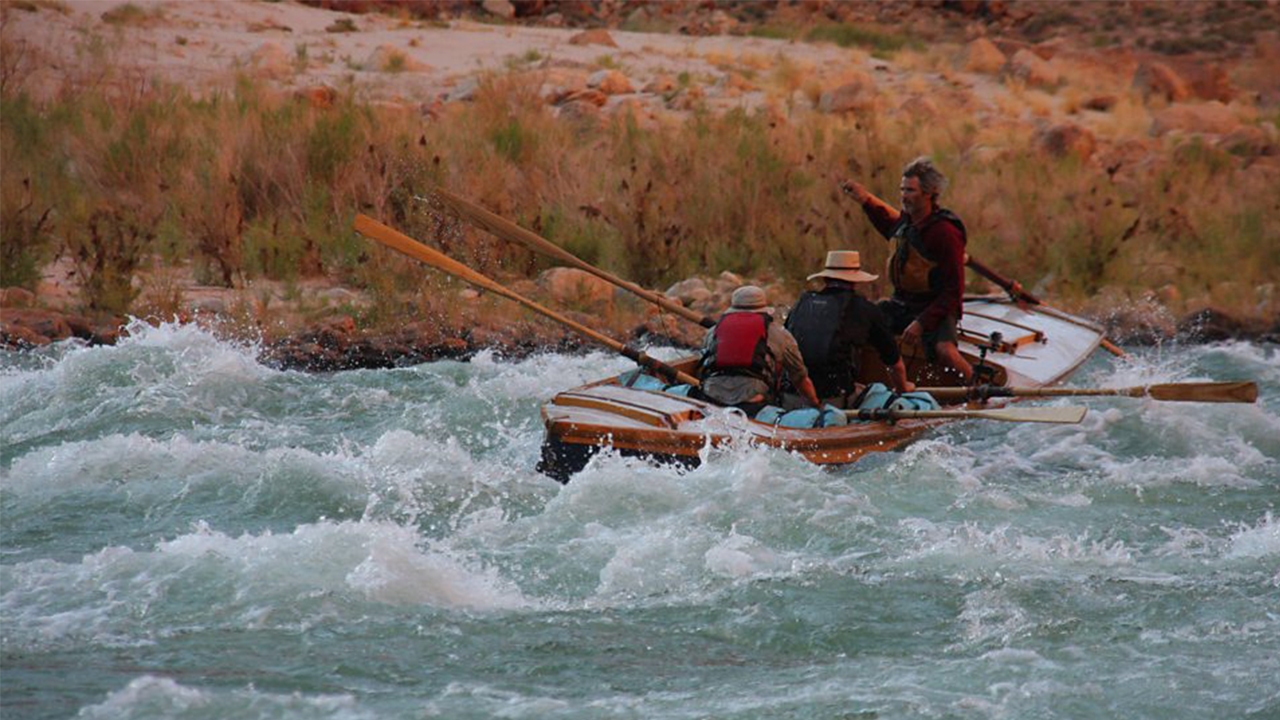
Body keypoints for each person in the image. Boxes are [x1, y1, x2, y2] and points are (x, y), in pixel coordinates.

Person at [841, 156, 974, 382]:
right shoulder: (907, 222)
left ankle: (976, 387)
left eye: (910, 190)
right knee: (858, 325)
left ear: (929, 192)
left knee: (945, 352)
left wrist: (922, 323)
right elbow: (888, 226)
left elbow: (953, 292)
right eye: (902, 189)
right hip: (903, 304)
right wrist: (865, 201)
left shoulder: (944, 233)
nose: (904, 196)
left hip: (936, 308)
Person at [785, 250, 915, 407]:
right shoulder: (865, 309)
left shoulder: (800, 305)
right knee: (872, 390)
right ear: (855, 280)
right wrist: (903, 390)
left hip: (789, 395)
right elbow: (895, 363)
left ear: (826, 278)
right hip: (834, 400)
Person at [700, 285, 821, 415]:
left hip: (712, 398)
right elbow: (799, 377)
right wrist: (815, 404)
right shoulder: (779, 334)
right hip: (753, 403)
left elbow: (704, 365)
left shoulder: (713, 332)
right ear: (764, 309)